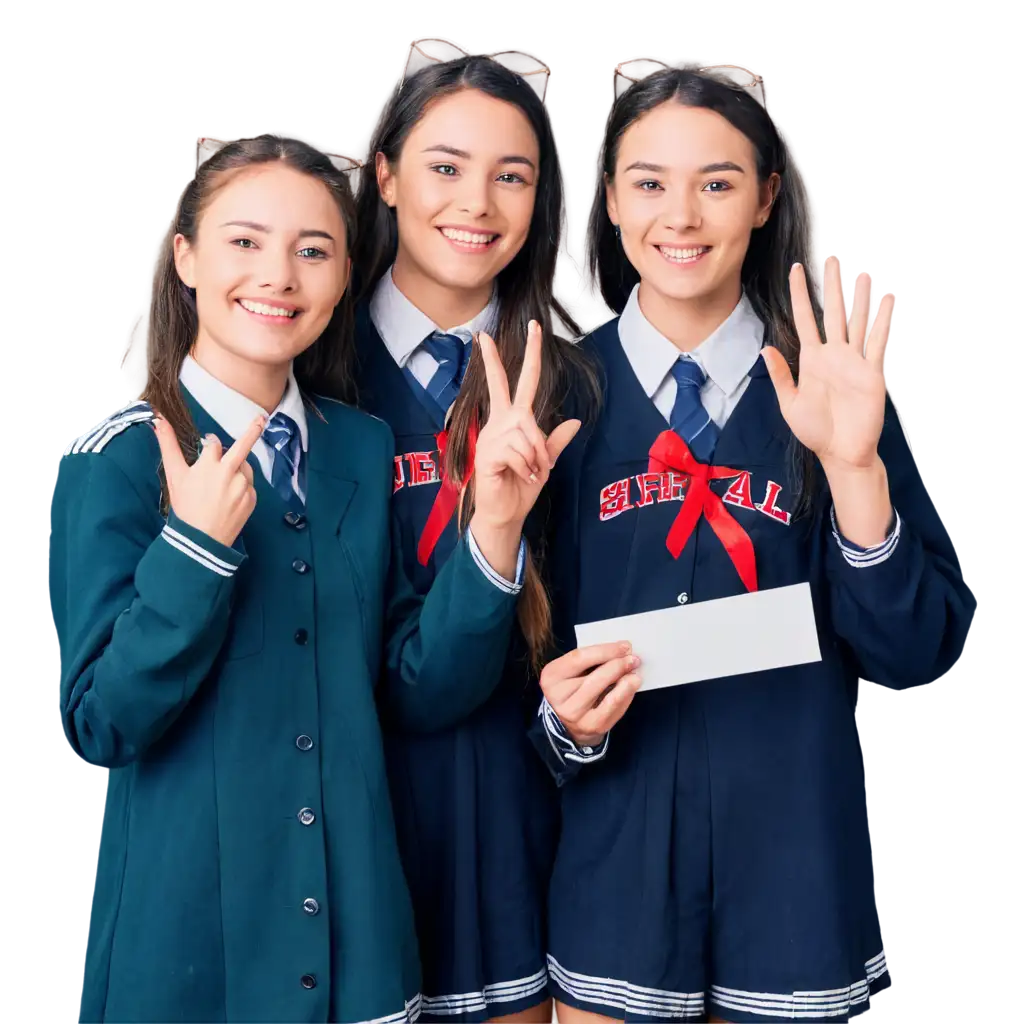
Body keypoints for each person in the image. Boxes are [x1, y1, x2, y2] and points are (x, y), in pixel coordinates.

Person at [50, 132, 576, 1024]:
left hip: (361, 945)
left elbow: (416, 688)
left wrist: (492, 530)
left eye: (314, 250)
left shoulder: (358, 446)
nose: (279, 276)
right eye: (245, 242)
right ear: (185, 257)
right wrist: (194, 553)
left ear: (343, 278)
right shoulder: (119, 457)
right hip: (190, 955)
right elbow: (100, 722)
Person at [531, 64, 969, 1023]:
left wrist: (856, 471)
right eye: (647, 182)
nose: (680, 216)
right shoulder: (553, 399)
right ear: (608, 199)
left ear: (767, 197)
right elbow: (506, 670)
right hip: (615, 871)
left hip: (796, 876)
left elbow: (911, 654)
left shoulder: (841, 391)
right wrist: (565, 726)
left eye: (717, 182)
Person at [349, 43, 596, 1024]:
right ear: (385, 176)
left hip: (521, 829)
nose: (477, 204)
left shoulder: (582, 386)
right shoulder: (304, 368)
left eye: (513, 175)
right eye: (445, 167)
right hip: (345, 827)